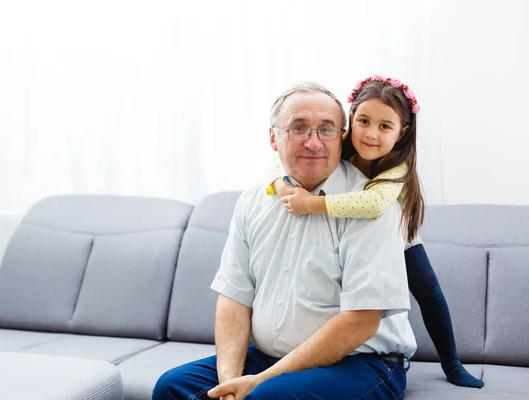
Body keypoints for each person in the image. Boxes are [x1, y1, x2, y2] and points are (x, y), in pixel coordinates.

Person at [152, 82, 416, 400]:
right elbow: (234, 297)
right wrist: (230, 382)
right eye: (299, 128)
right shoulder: (254, 200)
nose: (314, 143)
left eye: (327, 130)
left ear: (341, 136)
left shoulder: (369, 207)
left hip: (361, 363)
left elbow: (360, 321)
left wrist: (258, 382)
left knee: (267, 397)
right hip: (268, 360)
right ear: (273, 138)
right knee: (171, 387)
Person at [271, 75, 484, 389]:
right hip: (353, 230)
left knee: (427, 288)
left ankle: (452, 363)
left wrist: (309, 204)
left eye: (385, 126)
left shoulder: (397, 167)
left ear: (402, 133)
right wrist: (281, 186)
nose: (371, 134)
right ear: (350, 121)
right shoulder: (333, 146)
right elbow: (281, 163)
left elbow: (373, 204)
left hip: (394, 228)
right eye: (364, 121)